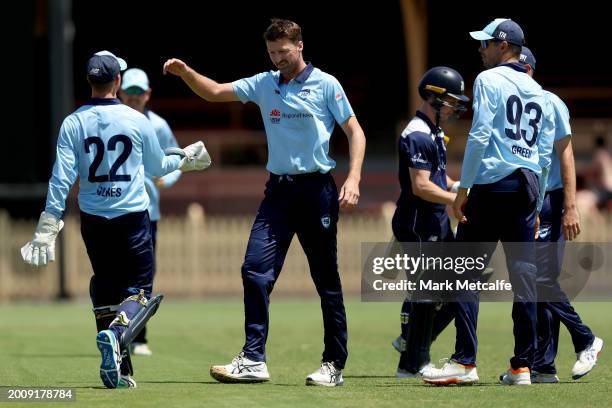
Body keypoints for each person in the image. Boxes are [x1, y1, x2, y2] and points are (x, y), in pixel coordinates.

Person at [163, 19, 366, 387]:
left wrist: (353, 178)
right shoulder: (264, 83)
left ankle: (333, 364)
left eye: (283, 53)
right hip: (278, 194)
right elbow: (213, 91)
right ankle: (254, 358)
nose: (278, 60)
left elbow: (354, 131)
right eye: (272, 54)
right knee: (254, 270)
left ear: (300, 45)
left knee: (326, 281)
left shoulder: (327, 84)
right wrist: (186, 72)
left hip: (316, 191)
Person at [20, 51, 211, 389]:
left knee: (104, 284)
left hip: (93, 219)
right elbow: (156, 168)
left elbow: (61, 178)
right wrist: (185, 158)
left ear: (90, 81)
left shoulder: (73, 122)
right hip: (133, 216)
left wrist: (47, 226)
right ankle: (118, 334)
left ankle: (118, 369)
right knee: (139, 289)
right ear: (118, 82)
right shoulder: (137, 120)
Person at [423, 18, 555, 386]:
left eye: (484, 43)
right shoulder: (539, 91)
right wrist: (538, 204)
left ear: (502, 45)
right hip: (527, 185)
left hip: (494, 183)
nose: (479, 49)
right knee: (524, 280)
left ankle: (465, 362)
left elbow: (481, 135)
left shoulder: (489, 80)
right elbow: (544, 155)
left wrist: (463, 188)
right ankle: (522, 367)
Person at [518, 47, 603, 383]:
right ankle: (543, 365)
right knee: (539, 281)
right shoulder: (514, 102)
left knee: (539, 280)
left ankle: (585, 338)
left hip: (548, 200)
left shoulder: (549, 102)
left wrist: (570, 205)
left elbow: (565, 155)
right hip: (531, 198)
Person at [390, 67, 468, 379]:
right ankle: (413, 363)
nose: (454, 107)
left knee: (462, 285)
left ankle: (411, 344)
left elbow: (439, 178)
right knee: (426, 292)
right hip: (418, 223)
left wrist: (460, 188)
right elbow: (420, 186)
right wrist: (456, 201)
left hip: (434, 222)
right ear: (433, 99)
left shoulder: (433, 132)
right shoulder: (418, 134)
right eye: (450, 101)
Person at [119, 67, 183, 356]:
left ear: (147, 94)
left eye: (138, 92)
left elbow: (176, 157)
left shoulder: (157, 125)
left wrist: (166, 179)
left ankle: (139, 336)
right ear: (120, 91)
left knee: (144, 275)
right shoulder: (114, 121)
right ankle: (115, 332)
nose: (133, 97)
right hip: (117, 207)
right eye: (129, 91)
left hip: (147, 210)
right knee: (117, 274)